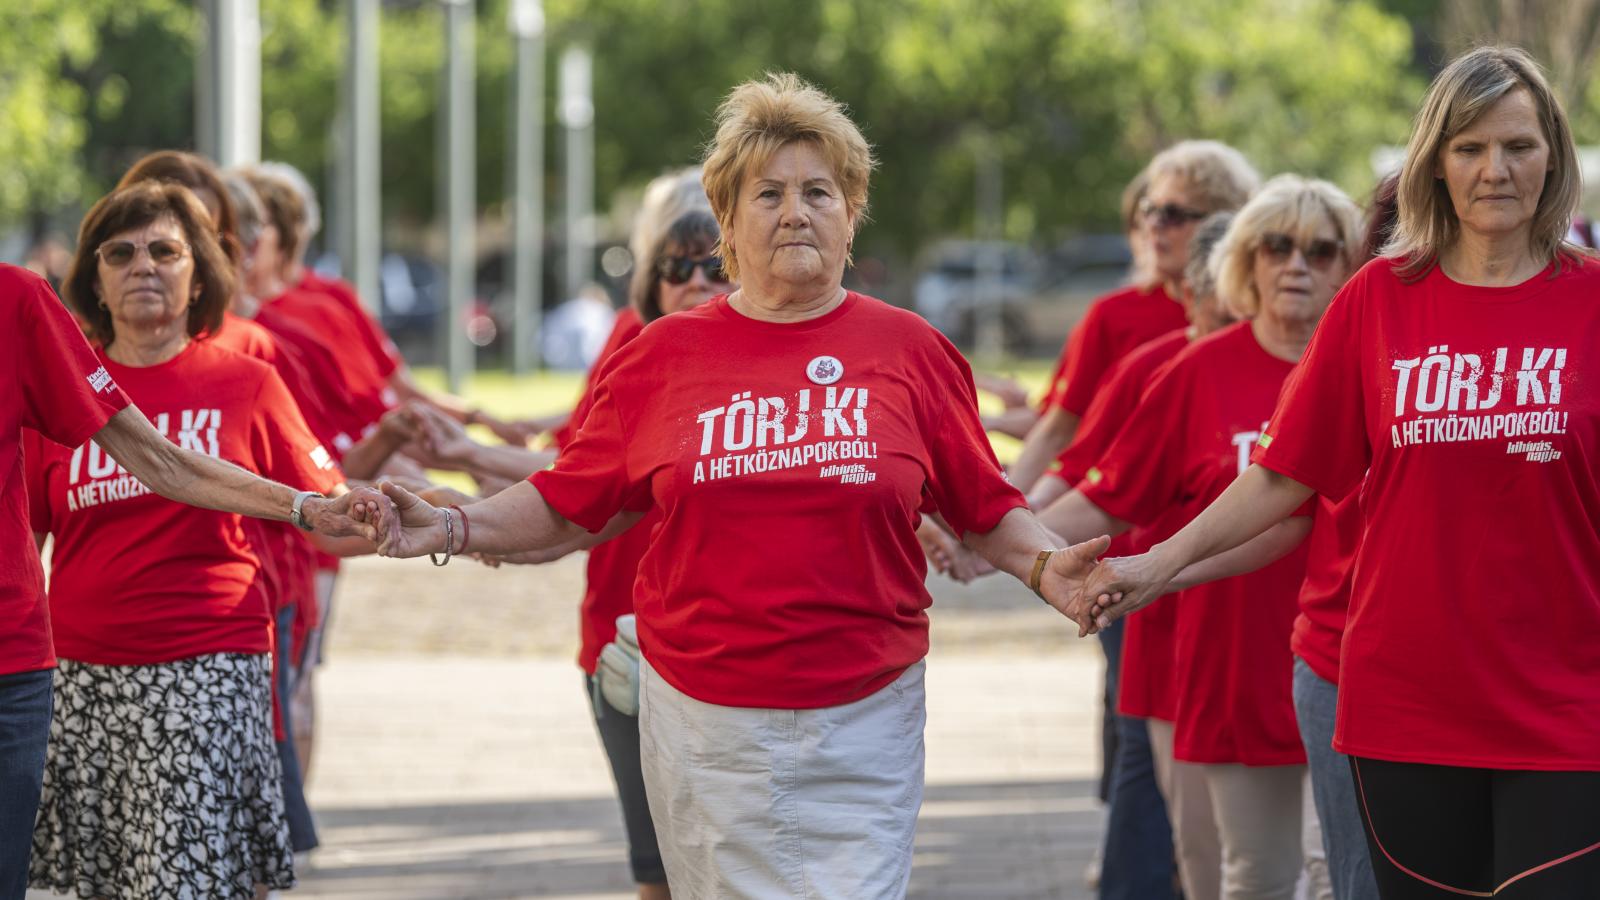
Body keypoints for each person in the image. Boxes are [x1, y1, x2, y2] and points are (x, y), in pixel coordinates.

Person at [363, 73, 1109, 898]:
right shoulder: (660, 358)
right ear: (726, 222)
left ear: (851, 214)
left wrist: (1049, 568)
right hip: (704, 719)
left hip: (866, 716)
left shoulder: (912, 351)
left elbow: (986, 504)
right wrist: (452, 525)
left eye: (820, 191)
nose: (797, 211)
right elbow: (570, 497)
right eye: (770, 194)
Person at [1075, 47, 1600, 897]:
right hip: (1405, 713)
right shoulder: (1377, 300)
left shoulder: (1593, 302)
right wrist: (1152, 566)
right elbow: (1281, 475)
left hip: (1570, 711)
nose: (1494, 170)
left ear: (1555, 157)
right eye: (1467, 148)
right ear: (1434, 164)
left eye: (1519, 145)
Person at [24, 180, 377, 900]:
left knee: (192, 878)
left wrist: (403, 518)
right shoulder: (61, 394)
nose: (142, 266)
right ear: (93, 279)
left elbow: (329, 507)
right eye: (119, 253)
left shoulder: (247, 382)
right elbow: (27, 540)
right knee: (110, 884)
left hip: (207, 666)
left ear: (199, 274)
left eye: (164, 251)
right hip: (85, 678)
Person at [1034, 175, 1362, 900]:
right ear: (1247, 261)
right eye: (1276, 246)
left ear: (1349, 265)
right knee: (1243, 878)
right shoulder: (1198, 373)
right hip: (1234, 660)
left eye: (1319, 248)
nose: (1296, 264)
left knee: (1342, 877)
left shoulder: (1368, 368)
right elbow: (1110, 494)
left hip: (1355, 659)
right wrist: (1000, 539)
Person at [1009, 141, 1259, 495]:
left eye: (1173, 214)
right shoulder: (1114, 315)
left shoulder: (1252, 313)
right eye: (1149, 210)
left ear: (1225, 222)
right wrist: (1003, 519)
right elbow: (1059, 431)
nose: (1153, 225)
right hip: (1117, 524)